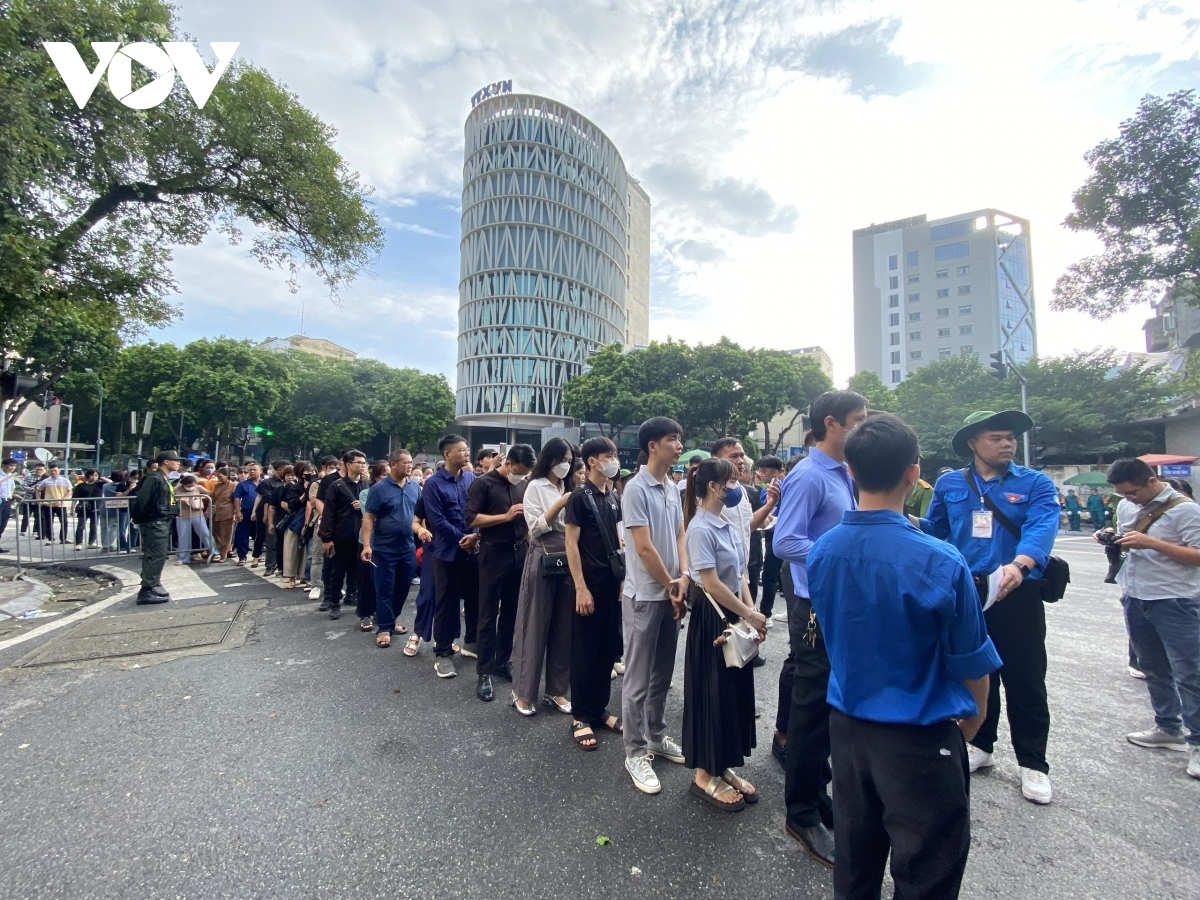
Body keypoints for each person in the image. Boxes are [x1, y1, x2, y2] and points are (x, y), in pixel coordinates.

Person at [810, 413, 1000, 899]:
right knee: (928, 872)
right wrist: (972, 725)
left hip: (848, 731)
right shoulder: (940, 559)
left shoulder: (823, 551)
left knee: (855, 862)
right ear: (913, 474)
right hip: (919, 737)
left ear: (851, 472)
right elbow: (972, 663)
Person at [919, 410, 1061, 805]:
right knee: (977, 669)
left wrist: (1021, 564)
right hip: (968, 591)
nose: (1007, 444)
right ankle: (982, 743)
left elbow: (1042, 526)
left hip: (1017, 592)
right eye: (996, 438)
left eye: (1010, 438)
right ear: (973, 443)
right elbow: (937, 530)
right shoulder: (950, 483)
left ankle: (1033, 763)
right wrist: (903, 519)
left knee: (1026, 677)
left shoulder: (1034, 483)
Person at [770, 391, 867, 866]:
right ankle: (802, 811)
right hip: (813, 602)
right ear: (832, 423)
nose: (863, 429)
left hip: (836, 598)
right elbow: (785, 542)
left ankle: (817, 794)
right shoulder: (808, 475)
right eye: (857, 421)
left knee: (828, 698)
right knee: (811, 706)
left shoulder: (842, 472)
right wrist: (842, 555)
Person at [1102, 458, 1200, 778]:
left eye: (1132, 493)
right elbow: (1128, 539)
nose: (1128, 500)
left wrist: (1150, 542)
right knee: (1154, 668)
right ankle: (1168, 727)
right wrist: (1111, 537)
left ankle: (1197, 743)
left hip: (1175, 599)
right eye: (1122, 495)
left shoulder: (1185, 510)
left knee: (1189, 673)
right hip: (1136, 596)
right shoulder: (1128, 508)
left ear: (1151, 481)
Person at [682, 456, 767, 810]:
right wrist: (748, 612)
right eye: (732, 481)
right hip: (713, 618)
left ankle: (724, 764)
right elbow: (712, 584)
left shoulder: (726, 523)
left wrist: (753, 615)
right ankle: (704, 774)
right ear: (715, 487)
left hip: (734, 615)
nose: (737, 485)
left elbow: (742, 575)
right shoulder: (699, 528)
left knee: (732, 693)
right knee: (711, 692)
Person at [621, 417, 689, 795]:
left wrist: (681, 579)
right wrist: (670, 583)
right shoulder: (636, 488)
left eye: (679, 438)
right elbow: (643, 546)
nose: (678, 445)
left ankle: (655, 737)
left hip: (670, 593)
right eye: (672, 439)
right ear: (652, 445)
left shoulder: (671, 486)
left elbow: (680, 533)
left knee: (662, 672)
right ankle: (633, 752)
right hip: (645, 595)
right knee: (637, 678)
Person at [564, 437, 625, 748]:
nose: (613, 459)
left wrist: (623, 581)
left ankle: (599, 709)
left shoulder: (612, 495)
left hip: (612, 582)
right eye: (607, 455)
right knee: (585, 649)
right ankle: (580, 715)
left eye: (613, 454)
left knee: (607, 649)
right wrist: (580, 587)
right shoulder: (579, 497)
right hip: (589, 584)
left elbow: (619, 539)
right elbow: (571, 544)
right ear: (591, 462)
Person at [511, 438, 577, 716]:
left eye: (570, 460)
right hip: (543, 556)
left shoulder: (570, 486)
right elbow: (535, 529)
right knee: (534, 625)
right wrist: (560, 504)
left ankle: (557, 690)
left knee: (564, 628)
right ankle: (523, 692)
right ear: (550, 460)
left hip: (570, 559)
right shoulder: (535, 487)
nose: (567, 464)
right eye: (563, 459)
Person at [465, 443, 535, 702]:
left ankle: (502, 661)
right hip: (493, 553)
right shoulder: (483, 484)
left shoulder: (524, 484)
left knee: (512, 612)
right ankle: (484, 672)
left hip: (520, 552)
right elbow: (471, 518)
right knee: (487, 612)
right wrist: (504, 517)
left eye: (526, 473)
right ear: (507, 463)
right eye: (518, 471)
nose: (521, 476)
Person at [424, 434, 480, 678]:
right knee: (446, 603)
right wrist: (463, 538)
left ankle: (472, 642)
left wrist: (476, 535)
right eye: (462, 450)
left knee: (476, 599)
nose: (467, 453)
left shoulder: (471, 478)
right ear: (447, 455)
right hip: (447, 553)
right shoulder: (433, 484)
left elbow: (481, 509)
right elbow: (437, 521)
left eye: (467, 449)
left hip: (473, 549)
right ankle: (443, 652)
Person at [361, 449, 422, 648]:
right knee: (385, 587)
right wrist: (367, 545)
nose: (409, 466)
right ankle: (384, 628)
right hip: (384, 548)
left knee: (404, 586)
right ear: (393, 464)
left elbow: (420, 516)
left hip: (408, 546)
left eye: (411, 462)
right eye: (405, 462)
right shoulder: (379, 488)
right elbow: (369, 517)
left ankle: (392, 618)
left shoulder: (415, 487)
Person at [318, 450, 368, 620]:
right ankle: (333, 602)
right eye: (359, 462)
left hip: (361, 536)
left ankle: (352, 595)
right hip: (341, 535)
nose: (362, 465)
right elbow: (328, 513)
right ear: (348, 464)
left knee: (357, 569)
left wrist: (362, 507)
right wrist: (326, 538)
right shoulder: (336, 486)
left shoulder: (367, 484)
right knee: (337, 571)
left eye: (364, 462)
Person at [132, 451, 181, 603]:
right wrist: (138, 519)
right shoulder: (154, 478)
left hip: (161, 521)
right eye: (175, 460)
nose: (178, 463)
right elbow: (141, 500)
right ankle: (147, 589)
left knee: (158, 555)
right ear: (166, 462)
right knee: (155, 555)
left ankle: (152, 585)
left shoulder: (163, 478)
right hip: (154, 522)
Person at [754, 456, 787, 624]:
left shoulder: (782, 489)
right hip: (768, 532)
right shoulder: (764, 489)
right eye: (760, 470)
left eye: (764, 471)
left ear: (776, 471)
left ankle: (765, 613)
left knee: (770, 574)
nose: (761, 474)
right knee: (777, 574)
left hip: (778, 533)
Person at [307, 456, 340, 601]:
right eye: (330, 467)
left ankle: (334, 587)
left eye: (335, 466)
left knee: (336, 558)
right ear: (323, 468)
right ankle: (316, 585)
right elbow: (314, 502)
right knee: (318, 556)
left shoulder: (343, 483)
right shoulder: (318, 483)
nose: (333, 470)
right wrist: (328, 517)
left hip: (340, 525)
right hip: (322, 522)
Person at [278, 464, 310, 588]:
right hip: (295, 521)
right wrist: (304, 494)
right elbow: (291, 505)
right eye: (307, 472)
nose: (310, 474)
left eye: (313, 471)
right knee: (291, 549)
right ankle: (290, 577)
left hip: (309, 521)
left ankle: (303, 576)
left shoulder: (318, 485)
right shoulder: (295, 487)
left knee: (306, 550)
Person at [174, 474, 213, 564]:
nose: (191, 487)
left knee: (205, 533)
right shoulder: (177, 489)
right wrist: (180, 499)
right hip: (182, 515)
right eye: (188, 486)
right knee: (183, 537)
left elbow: (208, 493)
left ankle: (214, 551)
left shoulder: (198, 487)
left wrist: (199, 498)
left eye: (192, 485)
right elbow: (170, 498)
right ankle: (183, 558)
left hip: (197, 514)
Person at [232, 461, 262, 565]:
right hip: (246, 511)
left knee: (259, 535)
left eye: (255, 470)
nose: (252, 472)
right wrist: (237, 512)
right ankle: (242, 556)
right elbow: (236, 498)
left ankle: (257, 555)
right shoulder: (242, 484)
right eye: (250, 470)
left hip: (261, 512)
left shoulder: (264, 483)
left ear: (260, 471)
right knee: (243, 534)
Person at [37, 463, 72, 545]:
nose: (53, 472)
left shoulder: (65, 480)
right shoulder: (45, 481)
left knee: (64, 522)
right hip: (48, 505)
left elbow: (69, 491)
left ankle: (63, 538)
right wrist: (39, 501)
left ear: (59, 471)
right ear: (49, 471)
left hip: (61, 505)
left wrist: (62, 500)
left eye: (55, 470)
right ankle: (50, 538)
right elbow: (38, 490)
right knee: (48, 522)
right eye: (51, 471)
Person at [209, 467, 238, 562]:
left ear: (227, 476)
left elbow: (235, 500)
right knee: (215, 533)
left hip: (227, 511)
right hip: (216, 511)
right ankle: (219, 551)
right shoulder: (217, 486)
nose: (218, 479)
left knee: (226, 534)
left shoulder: (233, 485)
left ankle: (224, 554)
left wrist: (235, 513)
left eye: (220, 477)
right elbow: (213, 498)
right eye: (217, 477)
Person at [71, 468, 104, 549]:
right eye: (92, 475)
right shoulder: (80, 486)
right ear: (88, 475)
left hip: (95, 508)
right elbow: (74, 498)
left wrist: (102, 478)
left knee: (94, 526)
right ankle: (78, 543)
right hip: (83, 508)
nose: (94, 477)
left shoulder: (99, 484)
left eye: (96, 475)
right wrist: (72, 508)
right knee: (80, 526)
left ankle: (91, 542)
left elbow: (111, 483)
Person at [0, 458, 19, 547]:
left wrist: (10, 495)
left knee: (3, 523)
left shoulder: (11, 476)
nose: (12, 468)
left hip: (7, 502)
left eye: (14, 466)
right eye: (10, 465)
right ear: (4, 465)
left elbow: (13, 487)